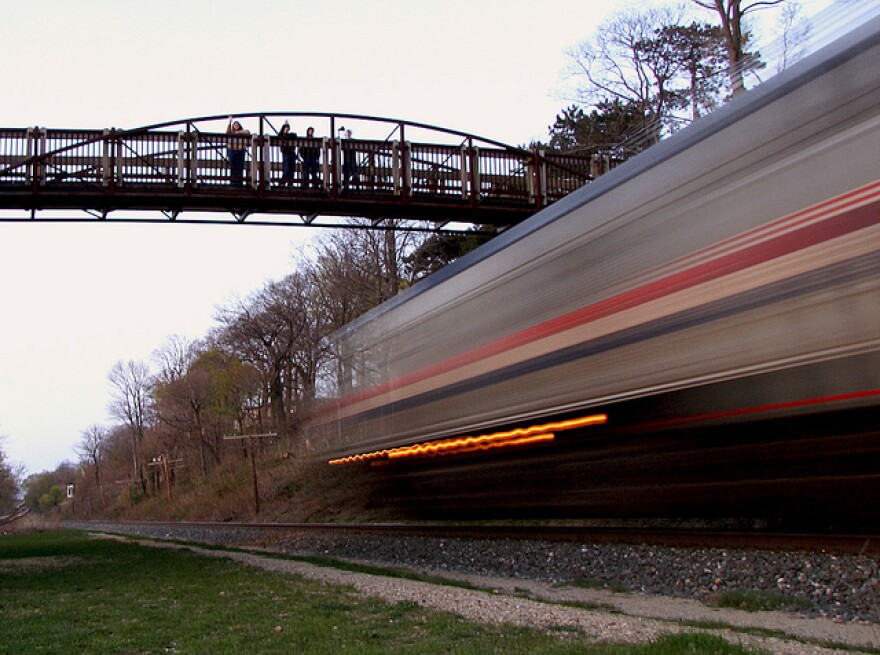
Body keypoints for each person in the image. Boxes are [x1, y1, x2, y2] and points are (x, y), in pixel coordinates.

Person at [226, 118, 250, 185]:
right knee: (232, 166)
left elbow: (248, 132)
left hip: (240, 150)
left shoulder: (242, 131)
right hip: (232, 150)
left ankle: (239, 182)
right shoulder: (231, 132)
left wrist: (237, 132)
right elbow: (227, 132)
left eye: (237, 124)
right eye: (235, 125)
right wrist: (230, 122)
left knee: (239, 166)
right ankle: (233, 181)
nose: (236, 126)